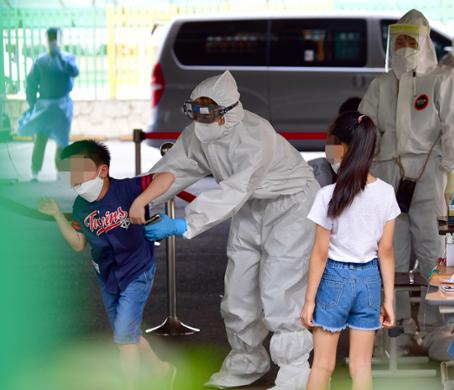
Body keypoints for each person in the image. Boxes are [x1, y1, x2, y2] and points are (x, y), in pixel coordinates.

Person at [127, 71, 320, 389]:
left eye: (209, 111)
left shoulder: (256, 136)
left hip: (291, 207)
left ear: (230, 111)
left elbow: (234, 190)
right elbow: (171, 171)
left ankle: (294, 372)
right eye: (196, 110)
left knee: (279, 290)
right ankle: (247, 360)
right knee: (238, 290)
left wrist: (186, 222)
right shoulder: (196, 134)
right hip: (250, 207)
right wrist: (130, 201)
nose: (201, 118)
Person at [359, 9, 454, 359]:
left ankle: (435, 328)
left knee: (432, 253)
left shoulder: (442, 80)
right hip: (386, 174)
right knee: (390, 254)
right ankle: (394, 327)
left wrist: (450, 168)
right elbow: (365, 129)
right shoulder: (380, 85)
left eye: (412, 40)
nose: (405, 47)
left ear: (425, 43)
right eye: (399, 41)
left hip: (428, 174)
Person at [37, 140, 175, 390]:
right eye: (71, 174)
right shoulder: (80, 206)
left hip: (137, 271)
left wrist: (138, 202)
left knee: (124, 335)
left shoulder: (126, 189)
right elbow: (79, 244)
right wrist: (58, 214)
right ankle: (162, 370)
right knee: (127, 334)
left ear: (102, 170)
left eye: (80, 172)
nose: (75, 181)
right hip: (108, 276)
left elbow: (167, 177)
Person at [301, 111, 397, 390]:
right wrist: (388, 300)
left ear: (342, 147)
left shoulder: (328, 194)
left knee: (322, 365)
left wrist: (309, 301)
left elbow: (319, 253)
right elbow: (386, 252)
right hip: (369, 281)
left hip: (334, 280)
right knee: (361, 366)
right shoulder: (387, 193)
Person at [19, 27, 79, 181]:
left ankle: (61, 171)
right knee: (41, 138)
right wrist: (32, 103)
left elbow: (74, 72)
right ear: (46, 40)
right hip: (45, 105)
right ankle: (35, 171)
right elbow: (31, 83)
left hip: (62, 105)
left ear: (60, 40)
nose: (53, 41)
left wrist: (59, 57)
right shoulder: (40, 60)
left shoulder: (68, 58)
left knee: (62, 140)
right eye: (50, 38)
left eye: (55, 38)